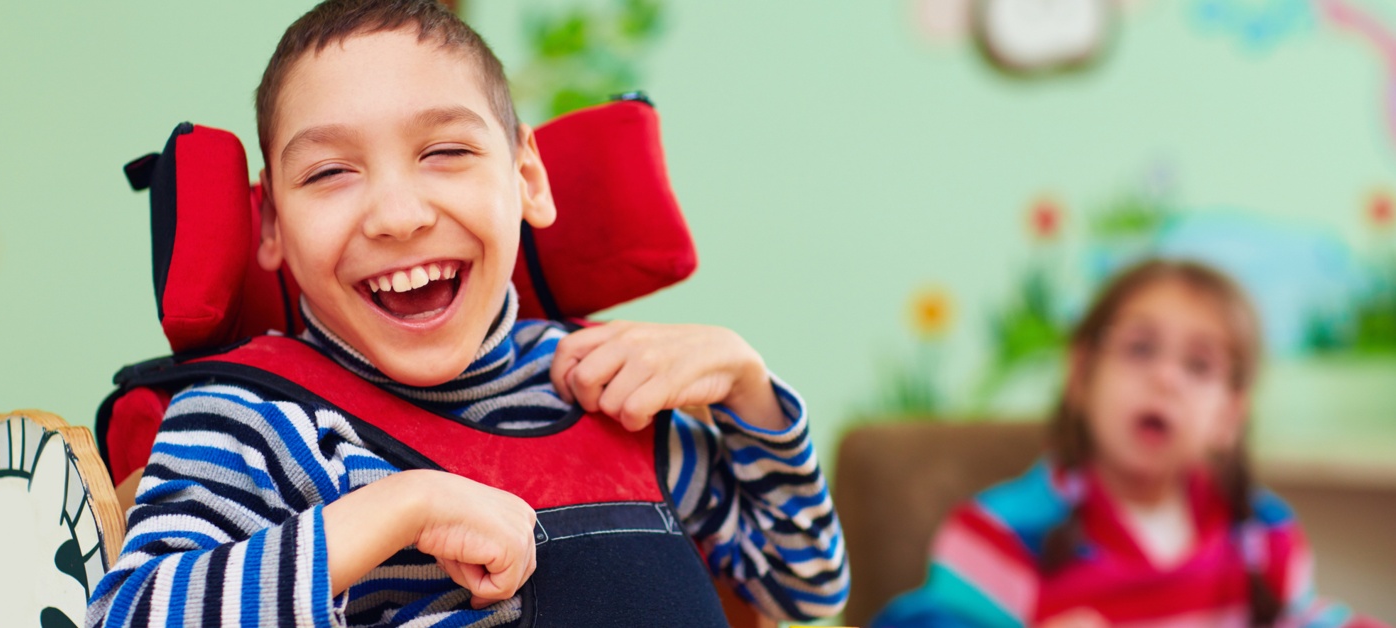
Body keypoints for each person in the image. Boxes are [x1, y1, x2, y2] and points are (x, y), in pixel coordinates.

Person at [85, 1, 847, 626]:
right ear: (273, 228)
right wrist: (398, 509)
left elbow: (806, 591)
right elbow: (129, 616)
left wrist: (751, 391)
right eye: (329, 171)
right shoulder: (252, 418)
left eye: (445, 151)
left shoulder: (608, 389)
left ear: (526, 179)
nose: (397, 214)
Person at [873, 259, 1381, 628]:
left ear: (1229, 416)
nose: (1165, 379)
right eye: (1139, 349)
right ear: (1080, 376)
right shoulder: (1002, 534)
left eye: (1199, 366)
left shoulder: (1262, 537)